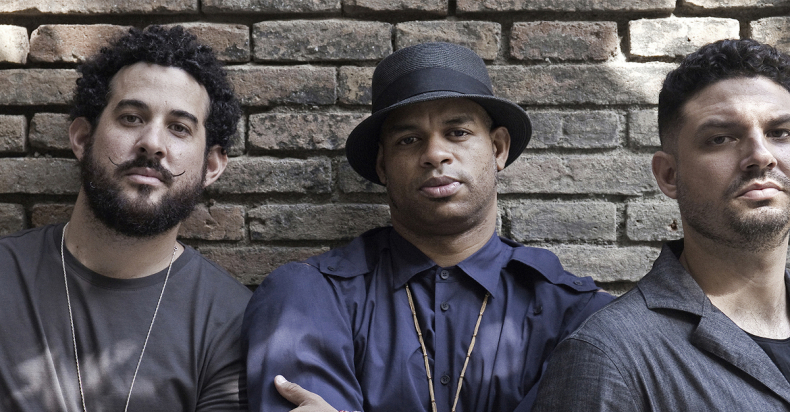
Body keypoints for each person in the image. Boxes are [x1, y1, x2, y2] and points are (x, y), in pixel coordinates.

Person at [243, 42, 613, 412]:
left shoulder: (578, 315)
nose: (435, 154)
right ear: (383, 165)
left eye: (458, 132)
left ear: (498, 148)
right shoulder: (309, 297)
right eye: (409, 140)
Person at [0, 26, 252, 411]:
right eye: (132, 118)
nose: (152, 143)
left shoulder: (232, 321)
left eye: (179, 128)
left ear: (212, 166)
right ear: (82, 139)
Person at [532, 38, 790, 411]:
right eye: (720, 138)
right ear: (669, 175)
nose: (760, 156)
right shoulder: (610, 355)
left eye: (780, 133)